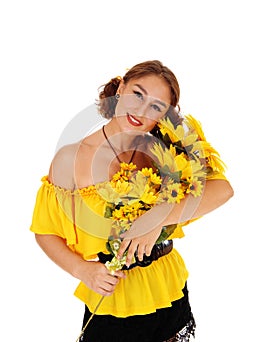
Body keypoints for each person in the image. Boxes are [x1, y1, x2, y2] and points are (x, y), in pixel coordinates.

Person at [30, 60, 234, 341]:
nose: (141, 110)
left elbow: (222, 189)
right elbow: (45, 231)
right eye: (137, 94)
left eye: (156, 106)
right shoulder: (72, 158)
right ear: (121, 88)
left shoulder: (166, 150)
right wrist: (82, 270)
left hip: (168, 283)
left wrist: (159, 215)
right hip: (116, 295)